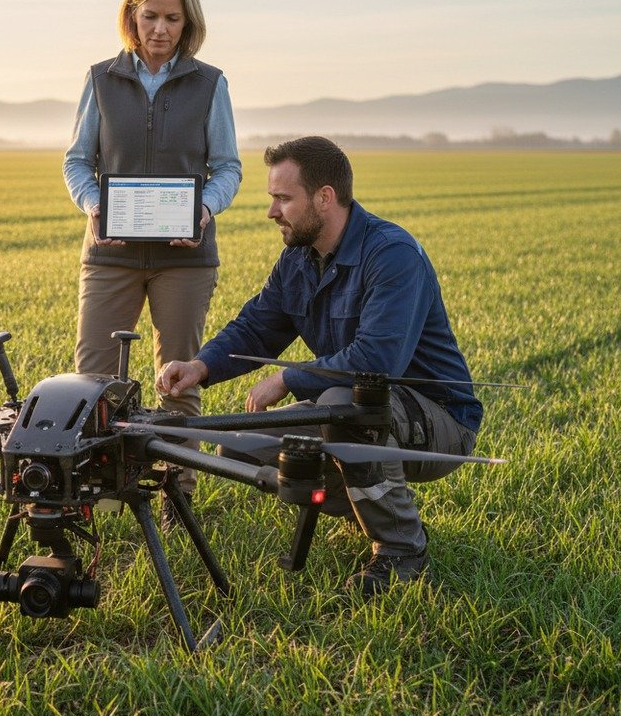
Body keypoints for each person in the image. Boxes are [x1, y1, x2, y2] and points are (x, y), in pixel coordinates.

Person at [156, 136, 483, 597]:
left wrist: (289, 377)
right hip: (364, 407)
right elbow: (256, 326)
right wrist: (199, 366)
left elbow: (376, 361)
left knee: (342, 405)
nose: (272, 212)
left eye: (282, 199)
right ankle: (365, 505)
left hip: (440, 420)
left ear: (324, 198)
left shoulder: (392, 255)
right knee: (243, 448)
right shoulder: (298, 259)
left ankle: (402, 551)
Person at [64, 0, 242, 505]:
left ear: (188, 23)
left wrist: (204, 210)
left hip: (184, 261)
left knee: (179, 382)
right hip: (110, 257)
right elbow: (77, 162)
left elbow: (228, 167)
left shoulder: (210, 83)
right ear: (131, 16)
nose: (160, 30)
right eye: (150, 17)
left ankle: (176, 498)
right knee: (92, 383)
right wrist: (95, 205)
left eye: (172, 19)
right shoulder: (100, 78)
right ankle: (90, 493)